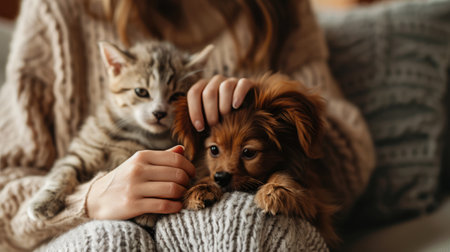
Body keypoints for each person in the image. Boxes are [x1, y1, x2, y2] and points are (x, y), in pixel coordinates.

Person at [0, 0, 375, 250]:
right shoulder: (56, 11)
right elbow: (6, 192)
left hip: (246, 209)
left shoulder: (279, 8)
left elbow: (350, 153)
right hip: (89, 227)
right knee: (111, 240)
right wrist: (88, 201)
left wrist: (262, 108)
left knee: (247, 220)